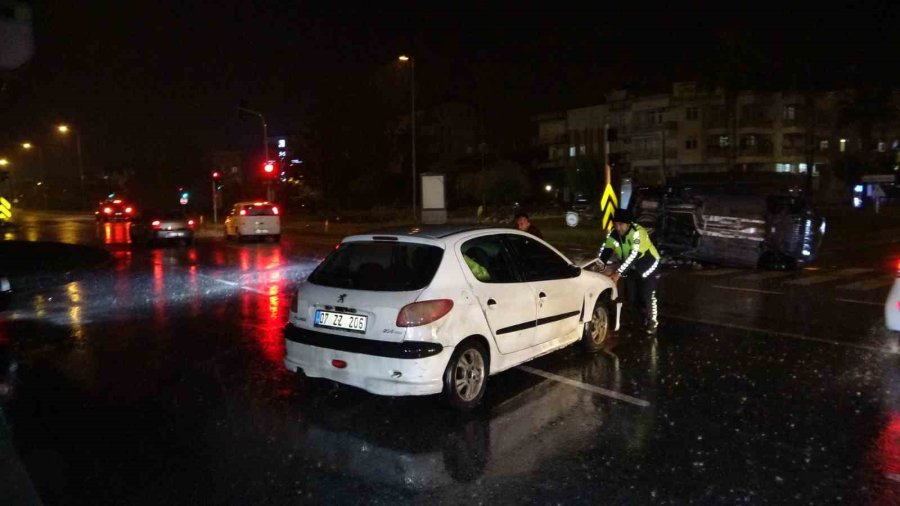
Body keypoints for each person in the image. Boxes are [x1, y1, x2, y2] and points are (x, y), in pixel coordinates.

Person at [597, 208, 661, 333]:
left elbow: (633, 255)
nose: (618, 228)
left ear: (628, 224)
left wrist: (618, 274)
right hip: (631, 268)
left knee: (647, 295)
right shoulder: (613, 234)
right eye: (616, 224)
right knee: (632, 297)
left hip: (647, 265)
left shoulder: (638, 233)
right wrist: (600, 265)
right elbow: (605, 251)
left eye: (621, 224)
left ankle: (652, 322)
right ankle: (642, 314)